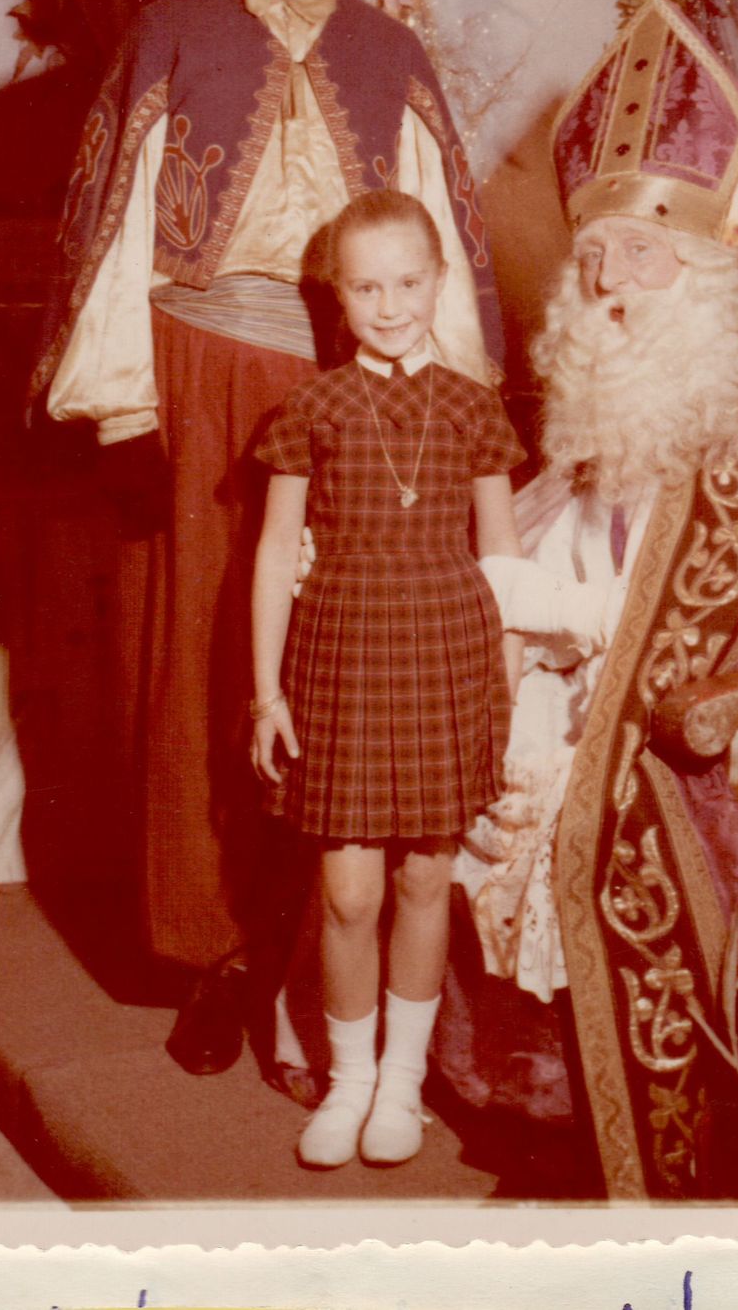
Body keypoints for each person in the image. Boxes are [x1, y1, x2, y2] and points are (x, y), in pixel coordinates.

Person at [30, 0, 505, 1075]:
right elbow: (115, 231)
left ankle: (315, 965)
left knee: (345, 674)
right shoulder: (169, 37)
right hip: (196, 377)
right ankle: (212, 950)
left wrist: (454, 412)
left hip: (356, 383)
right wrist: (126, 404)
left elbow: (444, 254)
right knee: (198, 666)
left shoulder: (389, 50)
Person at [434, 0, 738, 1201]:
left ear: (707, 270)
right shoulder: (609, 393)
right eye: (592, 255)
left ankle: (583, 1116)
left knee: (595, 794)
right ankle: (491, 1077)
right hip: (596, 668)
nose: (604, 286)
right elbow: (569, 553)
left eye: (640, 256)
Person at [250, 191, 524, 1167]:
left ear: (437, 282)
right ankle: (348, 1078)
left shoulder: (469, 404)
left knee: (421, 876)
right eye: (366, 286)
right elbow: (277, 547)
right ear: (338, 296)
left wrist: (505, 689)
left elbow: (500, 559)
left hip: (447, 653)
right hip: (340, 658)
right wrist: (266, 690)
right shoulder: (311, 406)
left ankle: (401, 1082)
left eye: (407, 281)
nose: (389, 302)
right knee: (350, 892)